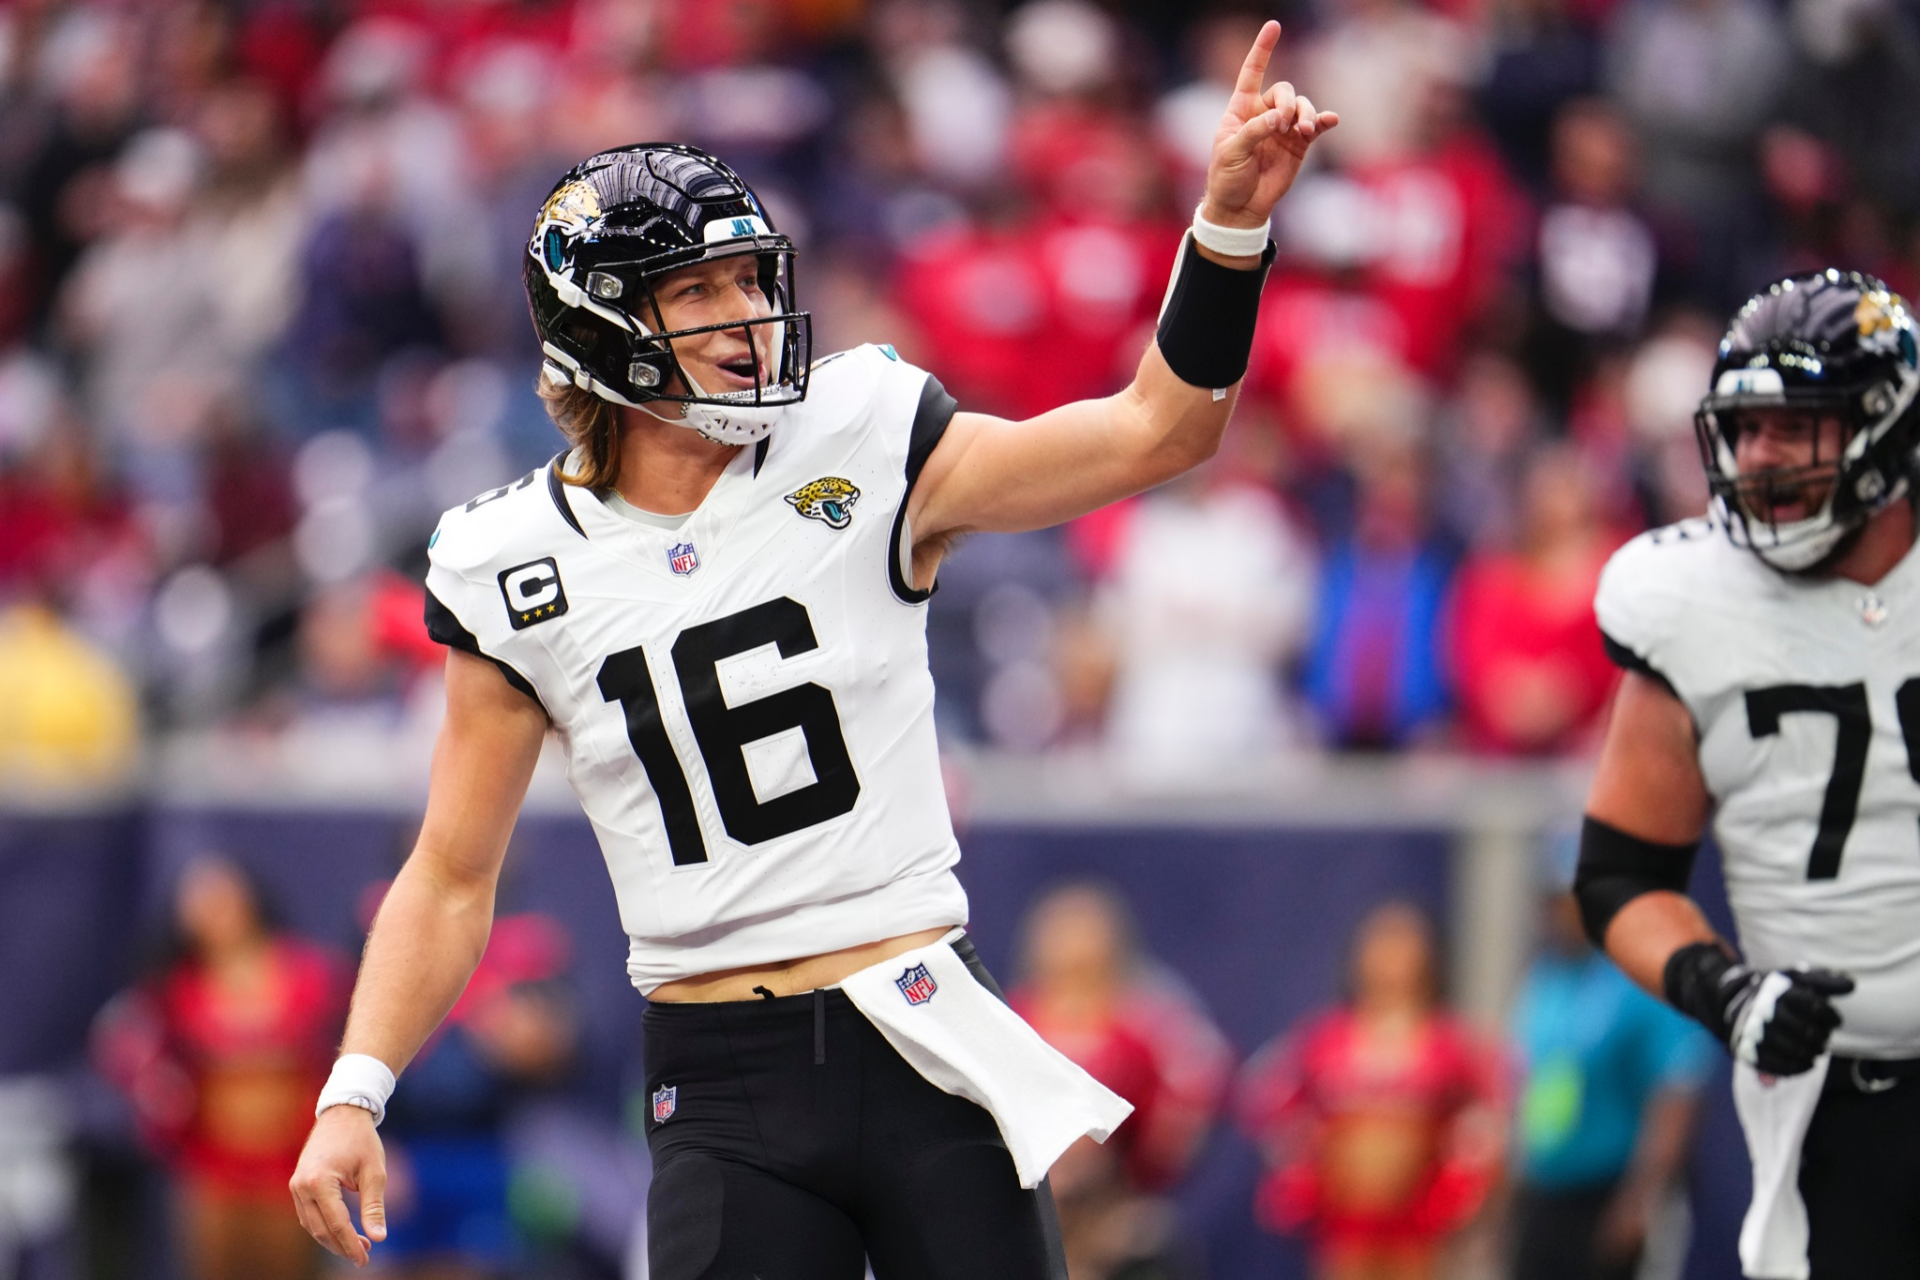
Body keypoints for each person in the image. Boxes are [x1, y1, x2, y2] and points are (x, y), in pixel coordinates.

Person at [290, 23, 1338, 1280]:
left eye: (748, 280)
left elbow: (1156, 433)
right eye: (697, 291)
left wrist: (1224, 229)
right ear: (601, 325)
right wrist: (356, 1087)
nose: (744, 317)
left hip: (922, 1026)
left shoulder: (863, 431)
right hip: (721, 1079)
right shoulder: (514, 558)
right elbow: (453, 873)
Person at [1576, 269, 1920, 1278]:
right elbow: (1619, 877)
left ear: (1888, 429)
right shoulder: (1688, 598)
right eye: (1747, 426)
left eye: (1795, 426)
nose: (1758, 456)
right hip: (1828, 1101)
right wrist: (1724, 991)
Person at [93, 856, 348, 1280]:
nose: (212, 910)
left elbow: (342, 1048)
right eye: (198, 901)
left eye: (222, 896)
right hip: (211, 1172)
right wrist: (160, 1095)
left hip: (290, 1166)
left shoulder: (310, 974)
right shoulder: (176, 988)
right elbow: (122, 1042)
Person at [1238, 902, 1504, 1280]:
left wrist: (1456, 1191)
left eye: (1403, 945)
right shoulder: (1323, 1040)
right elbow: (1267, 1097)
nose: (1391, 958)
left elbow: (1487, 1116)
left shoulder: (1451, 1045)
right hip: (1344, 1226)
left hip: (1418, 1228)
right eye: (1380, 944)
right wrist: (1303, 1176)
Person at [1507, 850, 1713, 1280]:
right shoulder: (1544, 979)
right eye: (1553, 901)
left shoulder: (1637, 978)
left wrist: (1641, 1197)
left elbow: (1676, 1089)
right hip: (1545, 1194)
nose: (1561, 913)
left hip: (1608, 1191)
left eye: (1572, 900)